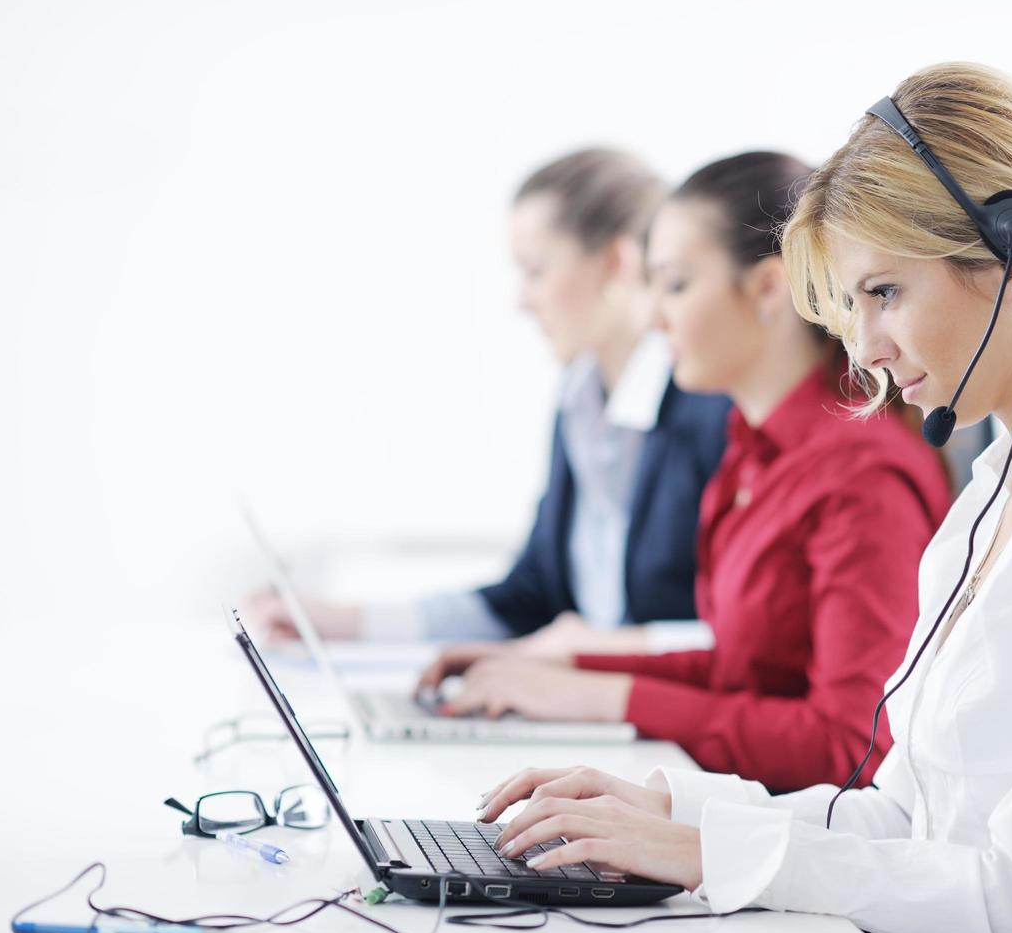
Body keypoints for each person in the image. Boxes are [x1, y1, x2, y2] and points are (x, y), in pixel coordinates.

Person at [470, 64, 1012, 933]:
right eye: (853, 306)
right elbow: (902, 819)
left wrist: (702, 852)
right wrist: (668, 809)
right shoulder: (996, 494)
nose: (867, 349)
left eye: (884, 293)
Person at [422, 152, 952, 791]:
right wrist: (565, 669)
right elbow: (742, 672)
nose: (651, 316)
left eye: (673, 285)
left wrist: (606, 697)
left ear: (765, 290)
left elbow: (854, 746)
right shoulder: (751, 450)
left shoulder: (860, 476)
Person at [244, 149, 731, 658]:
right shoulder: (578, 403)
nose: (522, 300)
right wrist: (345, 621)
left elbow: (742, 636)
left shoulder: (714, 411)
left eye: (535, 270)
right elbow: (528, 597)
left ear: (615, 262)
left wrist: (592, 650)